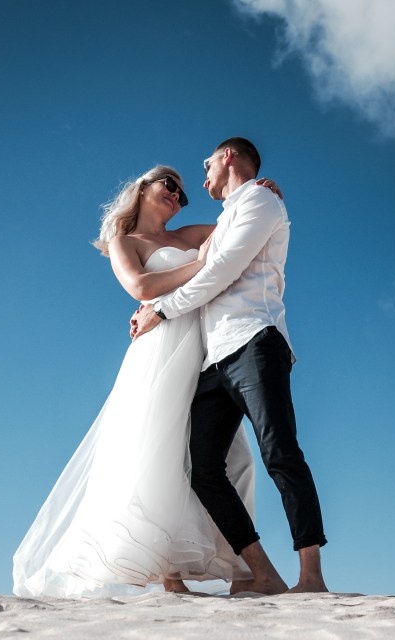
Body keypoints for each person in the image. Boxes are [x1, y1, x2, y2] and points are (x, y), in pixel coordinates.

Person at [12, 165, 283, 599]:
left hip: (204, 348)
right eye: (169, 185)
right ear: (142, 188)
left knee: (234, 460)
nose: (178, 195)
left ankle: (238, 566)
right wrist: (198, 266)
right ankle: (170, 575)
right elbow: (140, 285)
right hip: (160, 348)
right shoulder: (125, 242)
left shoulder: (190, 233)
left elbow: (237, 231)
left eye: (183, 193)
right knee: (159, 452)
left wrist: (257, 191)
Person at [130, 138, 328, 595]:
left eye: (206, 167)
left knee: (280, 452)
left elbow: (222, 270)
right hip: (215, 358)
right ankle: (259, 571)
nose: (199, 183)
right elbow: (194, 267)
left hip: (256, 339)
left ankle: (311, 576)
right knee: (204, 468)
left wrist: (162, 310)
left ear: (228, 158)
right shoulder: (226, 217)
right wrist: (151, 304)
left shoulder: (260, 200)